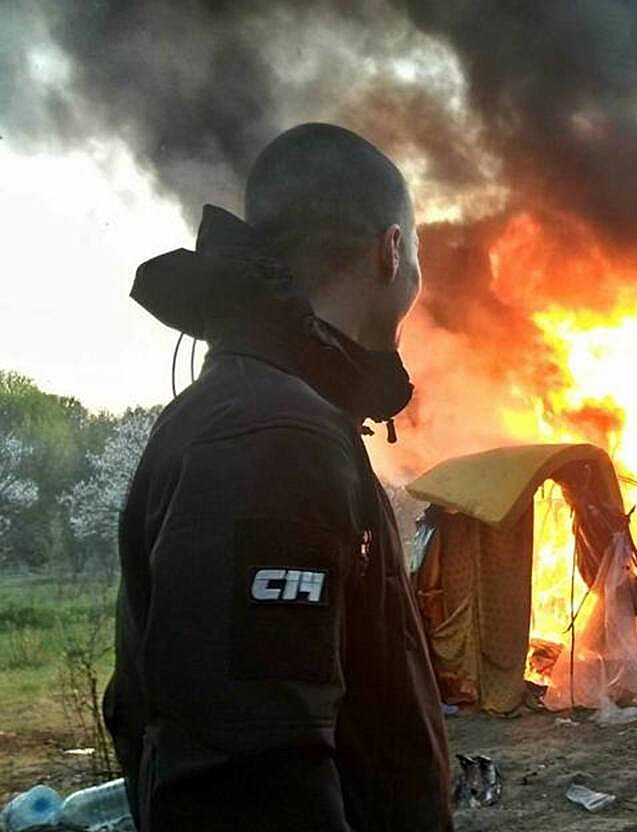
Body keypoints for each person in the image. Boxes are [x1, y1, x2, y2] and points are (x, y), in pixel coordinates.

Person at [103, 123, 453, 831]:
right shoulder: (273, 441)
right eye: (415, 253)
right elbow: (251, 785)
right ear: (391, 252)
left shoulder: (266, 411)